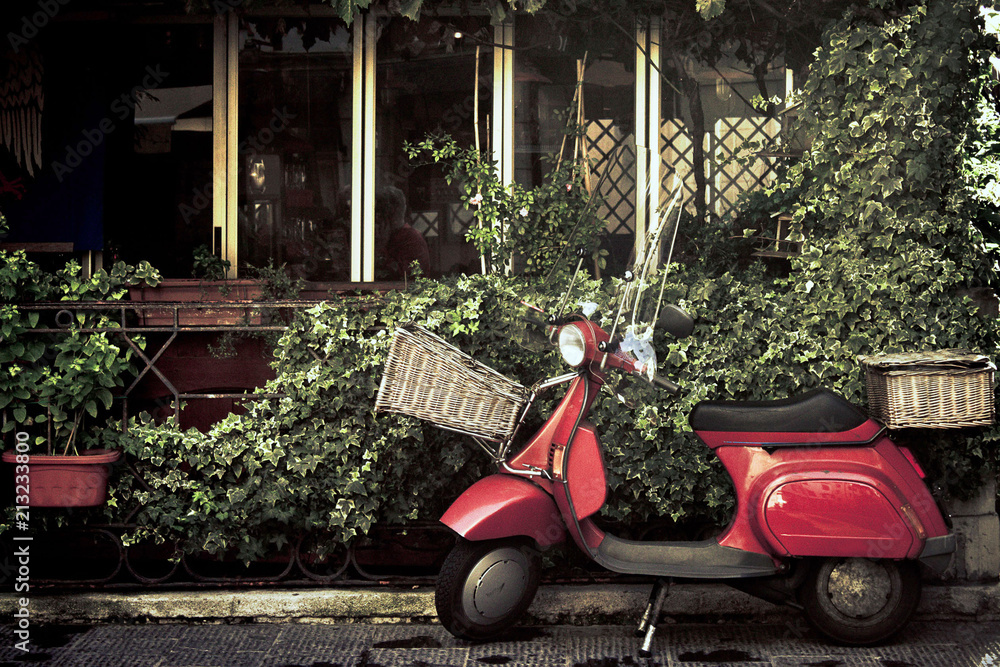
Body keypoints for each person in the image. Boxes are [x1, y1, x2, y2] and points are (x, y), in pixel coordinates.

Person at [375, 185, 430, 280]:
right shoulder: (393, 236)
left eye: (378, 213)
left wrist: (381, 246)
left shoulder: (411, 239)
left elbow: (406, 277)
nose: (376, 219)